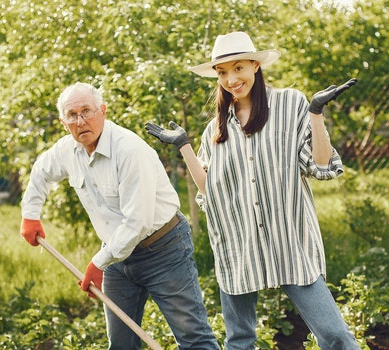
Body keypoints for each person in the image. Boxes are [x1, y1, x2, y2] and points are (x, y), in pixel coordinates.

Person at [145, 31, 360, 350]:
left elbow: (320, 166)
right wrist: (185, 146)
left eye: (239, 68)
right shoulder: (216, 129)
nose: (231, 79)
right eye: (222, 72)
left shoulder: (290, 104)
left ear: (256, 66)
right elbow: (211, 191)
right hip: (238, 247)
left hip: (289, 244)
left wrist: (315, 114)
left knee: (335, 336)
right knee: (240, 341)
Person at [20, 82, 220, 350]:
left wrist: (98, 263)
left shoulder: (129, 151)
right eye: (72, 115)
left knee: (194, 338)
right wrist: (30, 215)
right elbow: (41, 172)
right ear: (63, 121)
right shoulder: (67, 150)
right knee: (121, 344)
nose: (80, 121)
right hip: (116, 258)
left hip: (163, 249)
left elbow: (137, 222)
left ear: (102, 111)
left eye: (87, 111)